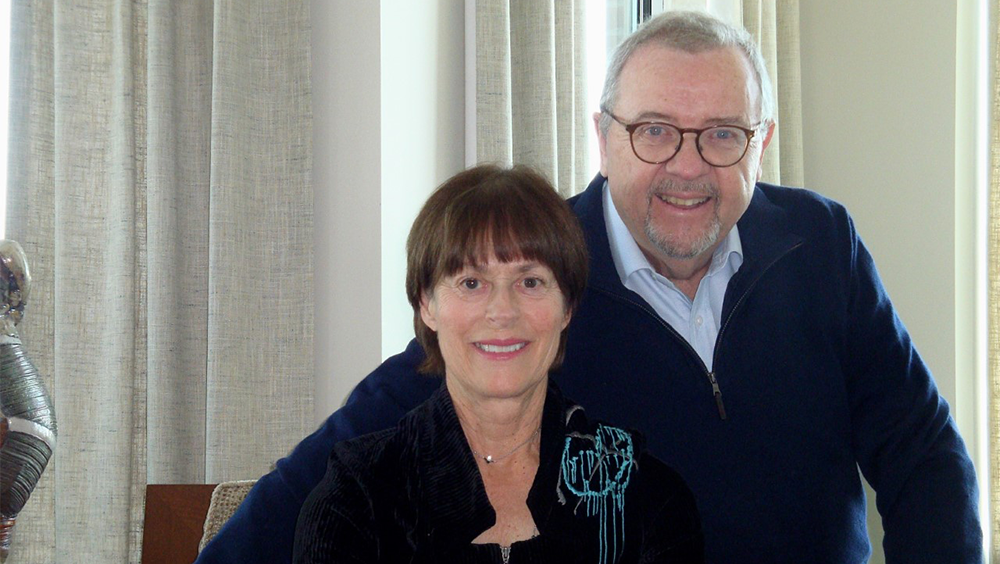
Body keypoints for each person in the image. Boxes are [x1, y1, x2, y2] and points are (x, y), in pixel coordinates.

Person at [197, 10, 981, 564]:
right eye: (653, 130)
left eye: (722, 135)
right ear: (604, 138)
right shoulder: (539, 276)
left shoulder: (820, 246)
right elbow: (361, 443)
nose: (686, 165)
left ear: (761, 144)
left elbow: (923, 454)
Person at [292, 165, 703, 563]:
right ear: (426, 305)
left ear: (567, 308)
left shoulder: (644, 494)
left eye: (530, 282)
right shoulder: (359, 496)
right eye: (471, 283)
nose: (502, 312)